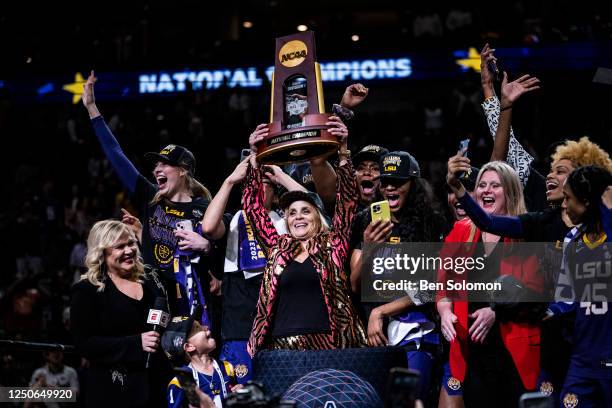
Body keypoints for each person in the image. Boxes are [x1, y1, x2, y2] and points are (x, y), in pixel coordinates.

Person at [82, 71, 219, 323]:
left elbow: (216, 255)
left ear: (183, 170)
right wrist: (92, 109)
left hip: (191, 299)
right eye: (155, 166)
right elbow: (116, 155)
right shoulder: (150, 197)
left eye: (164, 164)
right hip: (150, 293)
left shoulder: (204, 208)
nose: (157, 169)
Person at [245, 117, 367, 354]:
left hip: (330, 343)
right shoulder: (276, 247)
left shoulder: (334, 243)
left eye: (305, 211)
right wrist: (254, 156)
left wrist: (343, 153)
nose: (298, 217)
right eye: (292, 213)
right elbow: (253, 209)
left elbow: (348, 202)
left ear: (317, 216)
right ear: (286, 220)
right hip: (281, 345)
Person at [441, 160, 544, 408]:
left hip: (513, 351)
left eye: (494, 186)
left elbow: (537, 294)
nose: (486, 191)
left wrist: (495, 311)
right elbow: (443, 288)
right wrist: (445, 312)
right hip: (471, 353)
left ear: (509, 191)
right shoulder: (461, 231)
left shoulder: (527, 233)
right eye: (482, 185)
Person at [350, 150, 448, 403]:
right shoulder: (365, 220)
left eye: (399, 182)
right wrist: (370, 247)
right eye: (386, 182)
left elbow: (432, 287)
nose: (390, 188)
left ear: (413, 184)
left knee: (409, 402)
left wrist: (381, 311)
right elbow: (355, 284)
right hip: (375, 338)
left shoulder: (432, 222)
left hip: (416, 331)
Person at [201, 156, 306, 384]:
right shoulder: (232, 221)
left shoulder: (288, 222)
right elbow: (208, 227)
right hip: (239, 329)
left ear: (275, 192)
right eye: (251, 182)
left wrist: (281, 176)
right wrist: (230, 181)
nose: (257, 186)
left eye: (263, 182)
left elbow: (312, 206)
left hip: (280, 328)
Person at [70, 220, 170, 407]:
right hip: (113, 391)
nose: (129, 250)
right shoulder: (87, 291)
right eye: (119, 247)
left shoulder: (151, 283)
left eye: (131, 243)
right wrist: (135, 343)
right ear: (102, 252)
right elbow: (84, 343)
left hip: (158, 387)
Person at [548, 166, 612, 408]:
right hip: (582, 361)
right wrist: (548, 311)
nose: (564, 205)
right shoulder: (572, 241)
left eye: (568, 198)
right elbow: (566, 298)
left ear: (586, 201)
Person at [163, 307, 238, 408]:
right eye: (198, 328)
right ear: (189, 347)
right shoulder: (180, 384)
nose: (206, 327)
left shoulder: (227, 367)